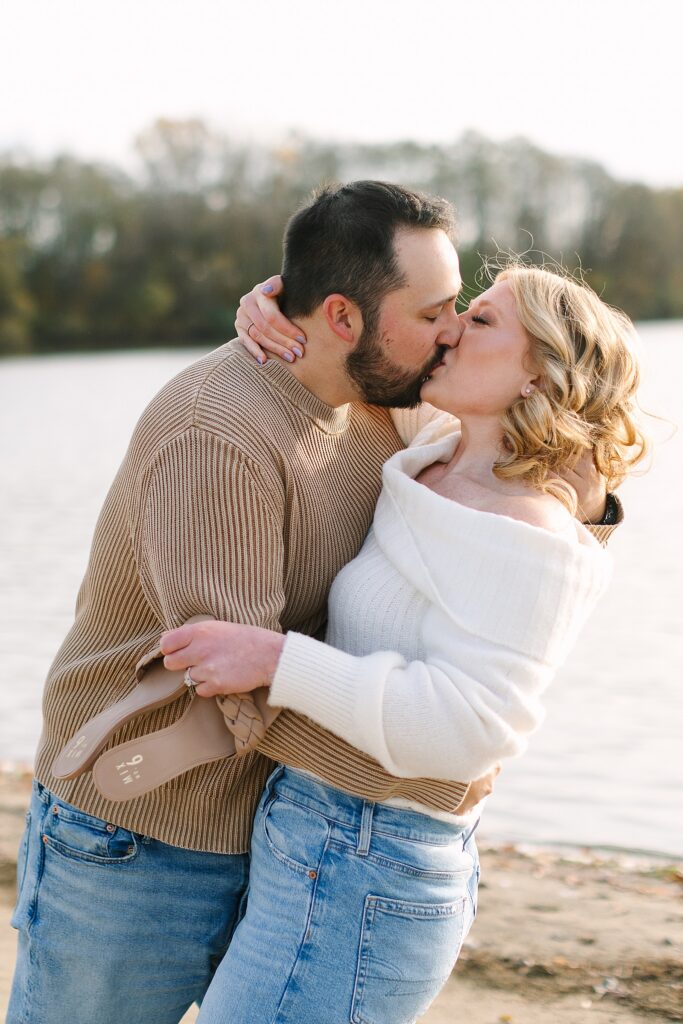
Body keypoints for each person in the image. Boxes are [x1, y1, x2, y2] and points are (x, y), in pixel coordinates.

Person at [9, 181, 614, 1024]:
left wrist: (578, 500)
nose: (448, 330)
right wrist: (435, 778)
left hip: (279, 826)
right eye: (438, 310)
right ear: (342, 318)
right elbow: (222, 679)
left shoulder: (387, 409)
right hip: (145, 834)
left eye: (466, 314)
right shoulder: (219, 431)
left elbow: (511, 540)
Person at [160, 263, 647, 1023]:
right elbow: (353, 359)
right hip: (313, 827)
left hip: (373, 858)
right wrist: (279, 313)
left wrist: (278, 661)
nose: (449, 328)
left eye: (480, 321)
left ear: (537, 372)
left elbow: (467, 732)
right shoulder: (438, 445)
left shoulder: (532, 531)